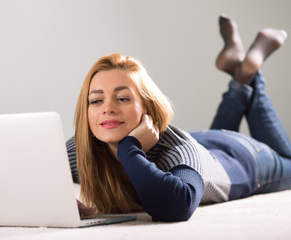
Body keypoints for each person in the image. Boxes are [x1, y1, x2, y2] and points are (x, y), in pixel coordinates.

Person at [66, 14, 291, 222]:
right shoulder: (82, 147)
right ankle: (241, 76)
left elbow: (176, 207)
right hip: (204, 145)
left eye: (123, 98)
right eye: (96, 101)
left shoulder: (175, 150)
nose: (107, 109)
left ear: (147, 107)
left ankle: (250, 74)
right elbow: (33, 174)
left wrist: (129, 149)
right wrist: (61, 203)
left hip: (243, 156)